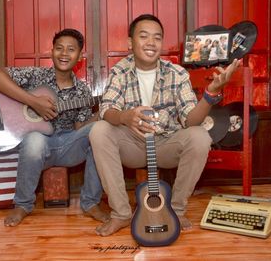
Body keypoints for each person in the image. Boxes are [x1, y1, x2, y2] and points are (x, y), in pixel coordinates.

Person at [89, 14, 240, 236]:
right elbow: (106, 110)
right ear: (130, 43)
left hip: (166, 143)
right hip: (134, 144)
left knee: (199, 136)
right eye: (144, 36)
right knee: (99, 131)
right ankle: (121, 214)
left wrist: (211, 94)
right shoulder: (119, 71)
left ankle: (177, 210)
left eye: (157, 37)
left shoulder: (177, 73)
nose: (151, 42)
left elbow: (191, 120)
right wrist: (125, 117)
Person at [0, 28, 108, 227]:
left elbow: (80, 127)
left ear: (80, 57)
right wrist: (32, 101)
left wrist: (102, 112)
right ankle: (23, 204)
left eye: (71, 49)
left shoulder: (82, 91)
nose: (64, 54)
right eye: (59, 48)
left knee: (99, 132)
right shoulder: (35, 76)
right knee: (35, 139)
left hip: (68, 145)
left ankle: (90, 203)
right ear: (51, 51)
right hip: (37, 148)